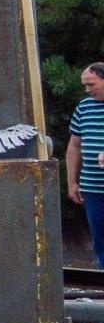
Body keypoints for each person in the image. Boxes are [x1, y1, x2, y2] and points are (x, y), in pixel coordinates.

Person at [69, 63, 104, 269]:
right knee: (100, 238)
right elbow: (74, 146)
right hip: (92, 188)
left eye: (91, 85)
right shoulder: (84, 107)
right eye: (85, 86)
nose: (87, 90)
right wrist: (72, 182)